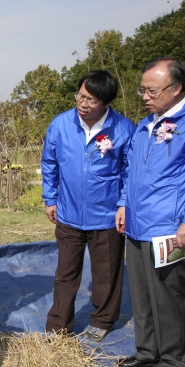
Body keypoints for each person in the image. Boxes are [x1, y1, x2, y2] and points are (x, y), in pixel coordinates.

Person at [42, 70, 135, 342]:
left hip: (107, 216)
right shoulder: (61, 124)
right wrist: (50, 198)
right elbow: (50, 163)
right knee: (65, 272)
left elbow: (130, 173)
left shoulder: (124, 129)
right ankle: (58, 324)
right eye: (80, 96)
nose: (83, 104)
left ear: (106, 104)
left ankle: (103, 319)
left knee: (106, 273)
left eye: (91, 100)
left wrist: (123, 205)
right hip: (68, 212)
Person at [116, 56, 185, 367]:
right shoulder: (146, 124)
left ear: (176, 89)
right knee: (143, 293)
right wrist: (122, 204)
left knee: (169, 296)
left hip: (168, 226)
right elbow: (130, 169)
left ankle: (175, 363)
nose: (145, 96)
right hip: (136, 223)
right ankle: (147, 350)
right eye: (142, 89)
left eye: (152, 90)